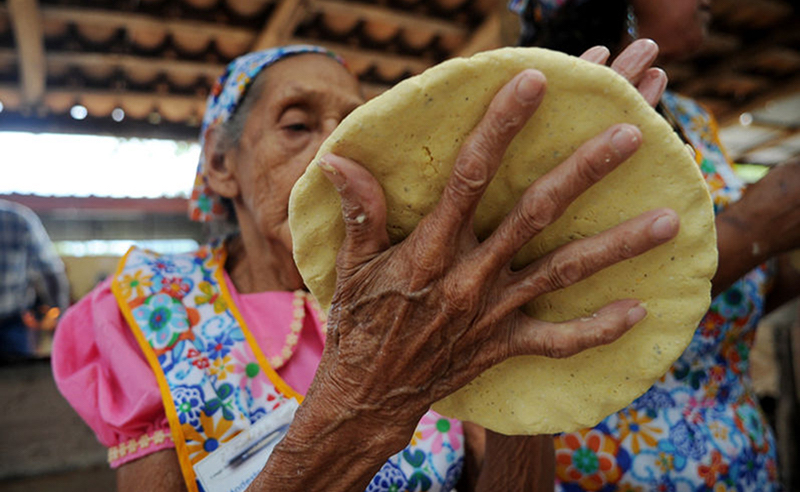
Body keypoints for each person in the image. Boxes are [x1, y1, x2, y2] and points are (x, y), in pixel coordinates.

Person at [52, 44, 680, 491]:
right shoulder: (151, 307)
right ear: (221, 164)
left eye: (355, 124)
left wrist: (514, 351)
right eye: (298, 123)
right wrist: (370, 399)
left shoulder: (436, 290)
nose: (334, 145)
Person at [510, 0, 800, 490]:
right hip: (614, 466)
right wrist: (752, 232)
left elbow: (735, 301)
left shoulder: (695, 120)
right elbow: (569, 302)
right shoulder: (549, 114)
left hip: (739, 460)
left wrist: (776, 251)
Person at [0, 199, 69, 360]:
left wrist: (60, 318)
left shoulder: (18, 220)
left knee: (19, 377)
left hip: (12, 323)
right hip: (13, 324)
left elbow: (51, 271)